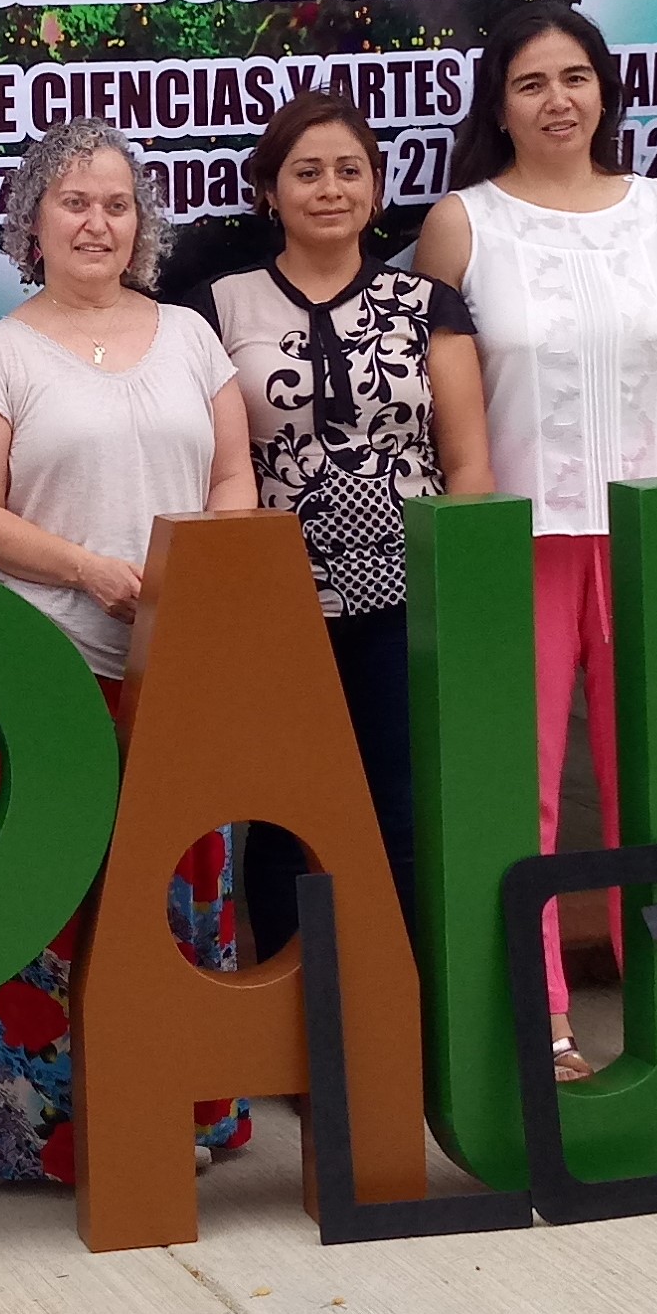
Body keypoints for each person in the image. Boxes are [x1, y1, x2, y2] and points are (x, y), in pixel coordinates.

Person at [418, 3, 657, 1081]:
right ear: (498, 107)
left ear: (605, 90)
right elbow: (445, 404)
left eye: (575, 78)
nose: (558, 100)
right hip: (525, 539)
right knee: (527, 789)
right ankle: (539, 1015)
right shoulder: (464, 222)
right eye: (530, 83)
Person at [0, 120, 257, 1184]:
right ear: (32, 221)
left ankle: (192, 1113)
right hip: (49, 663)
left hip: (185, 662)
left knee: (186, 890)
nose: (97, 220)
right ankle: (52, 1137)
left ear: (142, 224)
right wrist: (89, 568)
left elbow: (232, 481)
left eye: (117, 202)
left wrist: (193, 569)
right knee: (51, 902)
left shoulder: (190, 337)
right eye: (73, 201)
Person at [187, 88, 492, 965]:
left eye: (350, 170)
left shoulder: (426, 302)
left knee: (400, 805)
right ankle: (293, 1017)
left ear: (377, 186)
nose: (330, 188)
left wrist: (457, 591)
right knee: (284, 807)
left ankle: (395, 1007)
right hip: (275, 604)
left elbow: (466, 462)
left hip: (408, 599)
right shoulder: (218, 306)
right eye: (306, 171)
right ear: (268, 192)